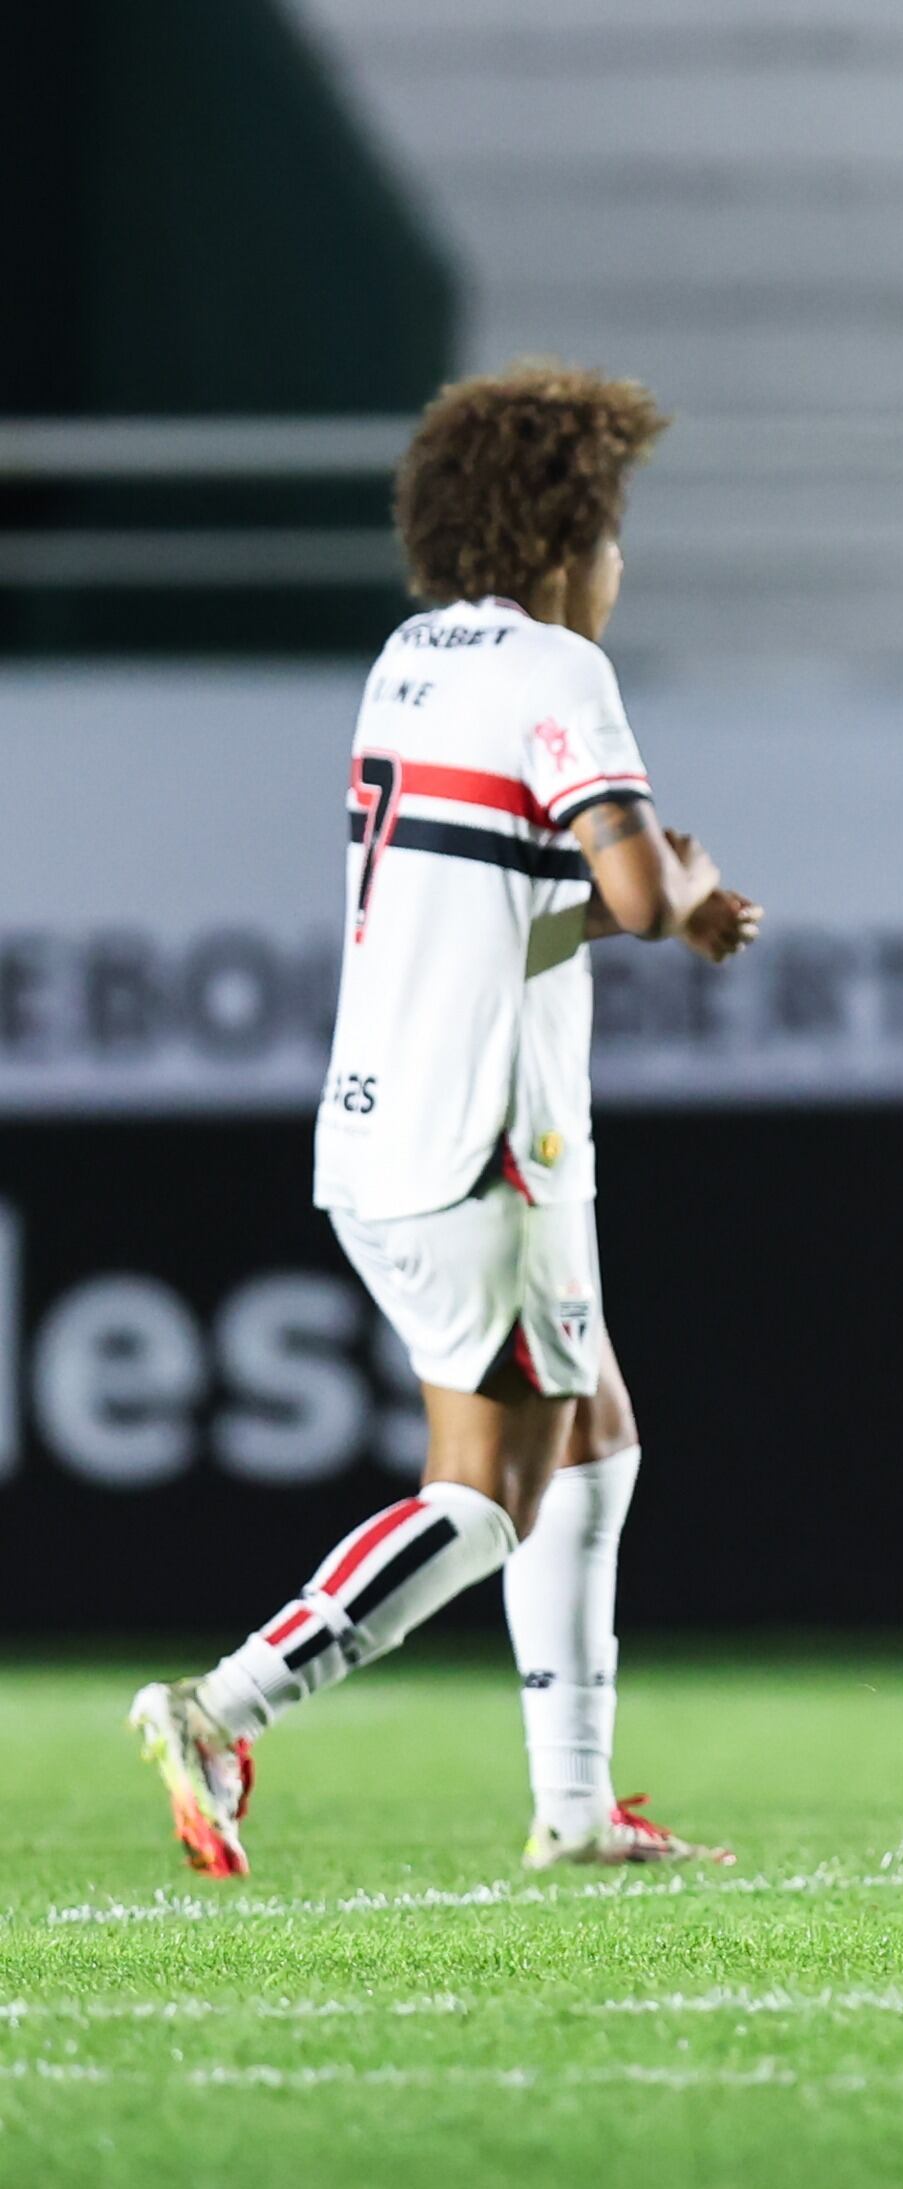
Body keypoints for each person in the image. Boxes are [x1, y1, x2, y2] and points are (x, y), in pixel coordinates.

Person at [130, 361, 760, 1876]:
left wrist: (641, 899)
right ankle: (223, 1706)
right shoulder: (556, 668)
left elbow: (506, 899)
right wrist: (689, 897)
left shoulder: (410, 656)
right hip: (487, 1135)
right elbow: (626, 886)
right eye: (610, 531)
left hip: (384, 1119)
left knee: (593, 1435)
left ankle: (574, 1806)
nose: (617, 565)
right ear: (562, 535)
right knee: (484, 1496)